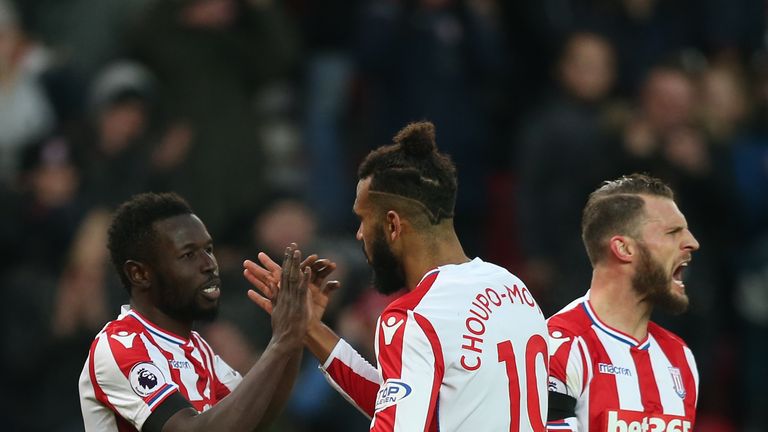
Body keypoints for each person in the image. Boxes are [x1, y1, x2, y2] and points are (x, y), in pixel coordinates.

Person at [244, 121, 550, 430]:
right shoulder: (513, 287)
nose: (359, 234)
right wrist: (309, 327)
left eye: (363, 219)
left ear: (392, 225)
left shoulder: (414, 316)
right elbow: (401, 404)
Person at [78, 192, 326, 432]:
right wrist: (281, 340)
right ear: (140, 274)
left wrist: (296, 332)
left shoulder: (199, 349)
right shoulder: (119, 347)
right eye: (188, 255)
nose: (209, 265)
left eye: (208, 249)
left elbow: (253, 419)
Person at [545, 174, 700, 431]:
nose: (692, 243)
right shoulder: (559, 347)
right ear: (624, 249)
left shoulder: (679, 356)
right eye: (673, 232)